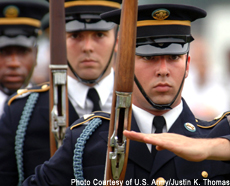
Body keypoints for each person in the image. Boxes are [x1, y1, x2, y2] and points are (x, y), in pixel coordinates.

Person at [22, 3, 230, 186]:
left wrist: (211, 148)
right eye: (149, 58)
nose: (163, 69)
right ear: (124, 65)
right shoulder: (85, 142)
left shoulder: (215, 139)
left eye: (174, 57)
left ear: (187, 65)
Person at [0, 0, 121, 185]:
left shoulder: (142, 108)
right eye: (75, 35)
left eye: (99, 34)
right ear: (58, 40)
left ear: (117, 41)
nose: (87, 47)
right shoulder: (20, 113)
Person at [0, 0, 49, 117]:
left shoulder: (51, 107)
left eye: (22, 52)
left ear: (36, 54)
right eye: (3, 52)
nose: (14, 63)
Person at [123, 130, 230, 162]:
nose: (163, 74)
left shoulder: (221, 129)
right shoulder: (106, 127)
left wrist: (210, 147)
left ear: (187, 74)